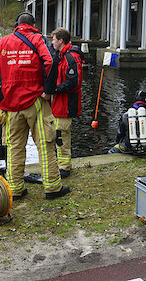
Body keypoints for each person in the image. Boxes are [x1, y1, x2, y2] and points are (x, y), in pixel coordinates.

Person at [0, 12, 69, 200]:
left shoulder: (4, 42)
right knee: (45, 145)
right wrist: (48, 90)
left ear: (16, 24)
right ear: (34, 24)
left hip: (10, 105)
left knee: (14, 147)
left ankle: (15, 189)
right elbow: (50, 61)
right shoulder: (38, 39)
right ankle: (52, 188)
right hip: (36, 102)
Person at [49, 27, 83, 179]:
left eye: (54, 39)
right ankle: (62, 164)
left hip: (66, 103)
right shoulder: (62, 56)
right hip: (60, 103)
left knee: (62, 134)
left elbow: (74, 82)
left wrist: (54, 90)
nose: (52, 42)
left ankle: (64, 167)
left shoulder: (70, 58)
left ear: (61, 41)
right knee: (59, 133)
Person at [109, 90, 146, 155]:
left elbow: (120, 134)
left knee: (112, 151)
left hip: (129, 147)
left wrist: (118, 142)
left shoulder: (125, 115)